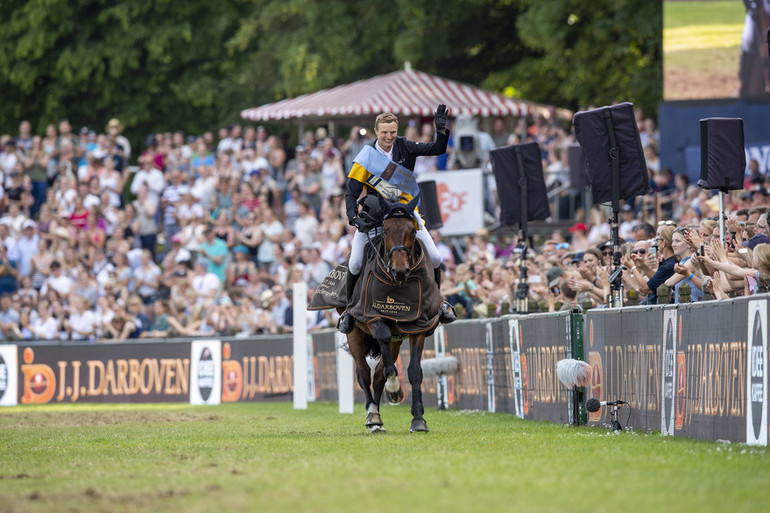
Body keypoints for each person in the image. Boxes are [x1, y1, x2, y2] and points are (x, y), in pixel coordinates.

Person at [337, 106, 456, 334]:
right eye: (384, 133)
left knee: (435, 256)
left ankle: (439, 305)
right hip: (374, 217)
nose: (389, 137)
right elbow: (351, 194)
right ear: (376, 131)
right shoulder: (365, 158)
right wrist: (354, 218)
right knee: (355, 263)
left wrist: (440, 129)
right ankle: (349, 311)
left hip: (405, 214)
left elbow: (438, 149)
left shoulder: (405, 146)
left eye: (392, 132)